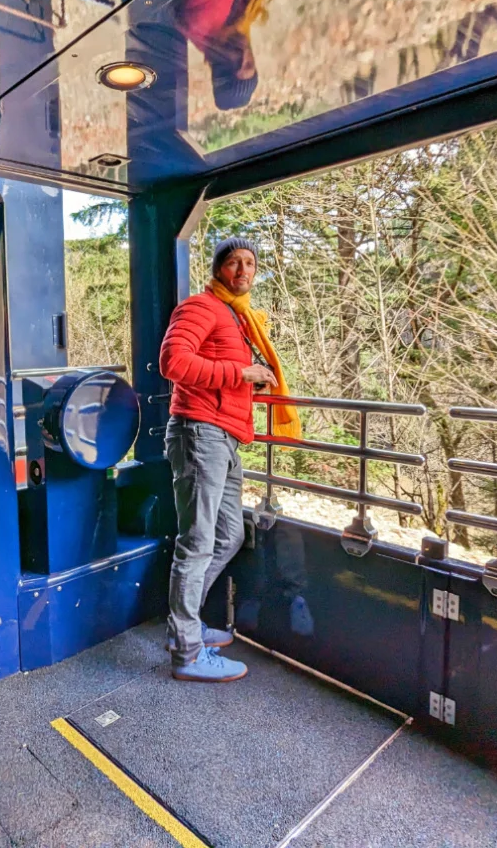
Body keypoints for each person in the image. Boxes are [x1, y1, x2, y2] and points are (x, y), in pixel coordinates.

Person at [159, 236, 301, 682]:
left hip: (225, 436)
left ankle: (185, 627)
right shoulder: (201, 308)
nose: (243, 270)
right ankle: (186, 650)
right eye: (234, 262)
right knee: (198, 542)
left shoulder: (236, 318)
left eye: (250, 263)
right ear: (219, 269)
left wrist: (246, 382)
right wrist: (240, 373)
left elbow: (215, 369)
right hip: (200, 434)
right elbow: (173, 362)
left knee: (229, 534)